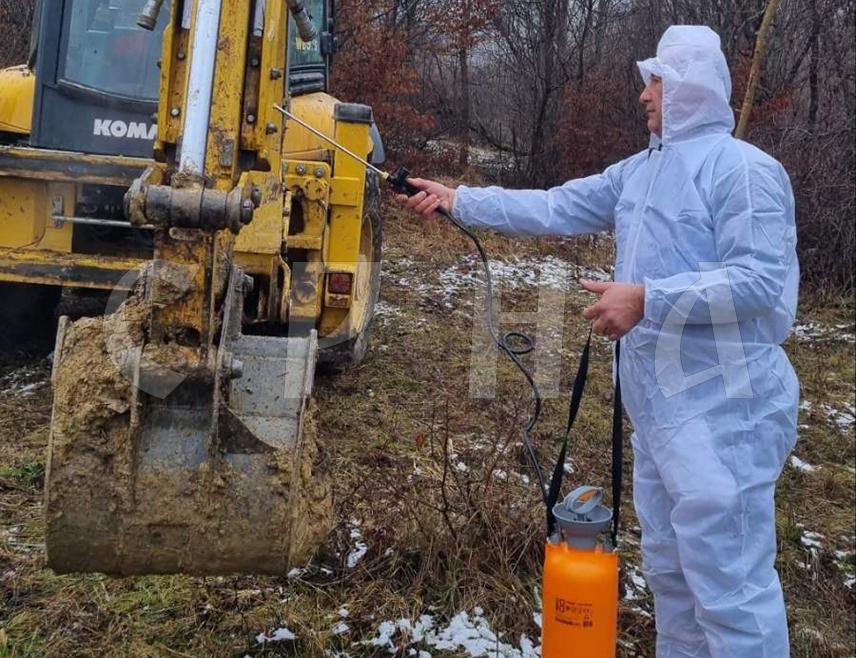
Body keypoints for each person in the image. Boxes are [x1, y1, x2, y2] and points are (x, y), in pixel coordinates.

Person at [396, 25, 799, 658]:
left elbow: (759, 282)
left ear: (690, 85)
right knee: (671, 576)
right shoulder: (639, 173)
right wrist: (459, 199)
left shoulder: (744, 171)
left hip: (729, 410)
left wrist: (645, 298)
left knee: (730, 590)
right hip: (661, 411)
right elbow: (555, 206)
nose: (645, 96)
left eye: (658, 81)